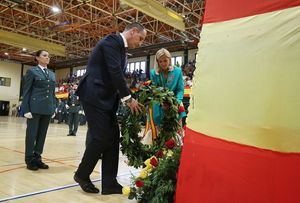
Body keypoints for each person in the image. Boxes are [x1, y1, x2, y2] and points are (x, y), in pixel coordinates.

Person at [74, 22, 146, 194]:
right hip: (93, 95)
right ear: (133, 31)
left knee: (113, 138)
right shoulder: (112, 41)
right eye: (141, 38)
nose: (141, 42)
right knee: (100, 138)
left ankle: (109, 183)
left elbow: (115, 74)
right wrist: (128, 98)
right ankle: (82, 175)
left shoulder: (121, 48)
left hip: (105, 99)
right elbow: (115, 71)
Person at [22, 50, 56, 171]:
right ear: (37, 58)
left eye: (48, 56)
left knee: (42, 135)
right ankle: (29, 159)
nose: (48, 58)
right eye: (45, 55)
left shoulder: (52, 74)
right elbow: (26, 91)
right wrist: (26, 109)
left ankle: (37, 157)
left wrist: (53, 108)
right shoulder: (32, 71)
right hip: (34, 108)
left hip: (47, 109)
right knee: (31, 135)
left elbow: (52, 93)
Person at [150, 48, 186, 127]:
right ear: (157, 62)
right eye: (160, 61)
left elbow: (180, 90)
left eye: (165, 60)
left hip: (175, 101)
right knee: (158, 123)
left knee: (177, 127)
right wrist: (162, 102)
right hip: (159, 102)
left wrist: (176, 101)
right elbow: (154, 90)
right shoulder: (153, 73)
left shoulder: (178, 71)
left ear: (169, 60)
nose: (163, 63)